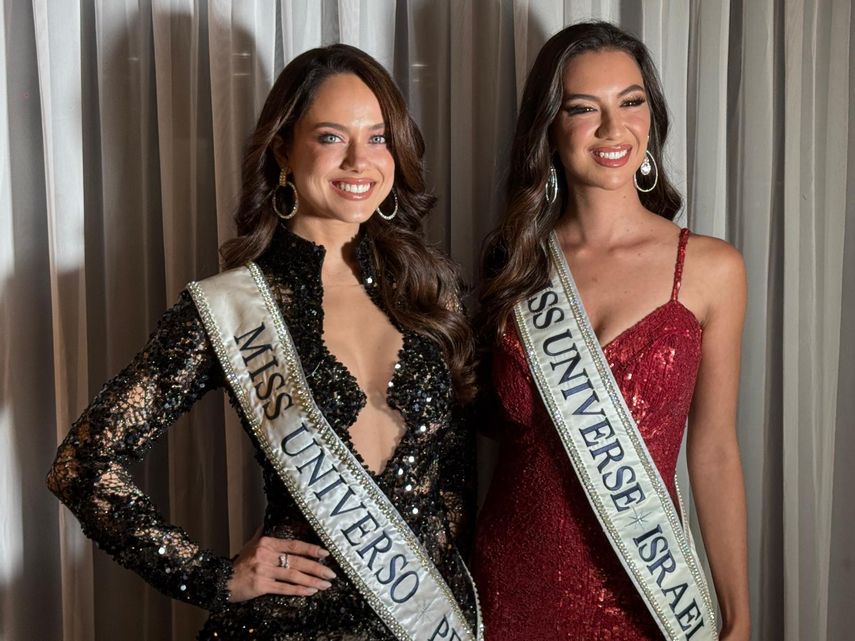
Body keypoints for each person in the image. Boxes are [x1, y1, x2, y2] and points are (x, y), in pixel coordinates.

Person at [48, 44, 481, 641]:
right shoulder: (232, 307)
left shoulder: (430, 292)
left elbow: (454, 474)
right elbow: (82, 465)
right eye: (331, 137)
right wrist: (213, 578)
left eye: (378, 137)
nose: (359, 161)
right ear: (283, 150)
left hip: (429, 619)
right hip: (291, 626)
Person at [472, 22, 749, 641]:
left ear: (652, 116)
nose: (612, 128)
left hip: (649, 593)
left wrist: (739, 615)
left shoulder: (710, 269)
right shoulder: (514, 265)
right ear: (549, 126)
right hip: (508, 591)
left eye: (631, 101)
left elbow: (714, 449)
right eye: (582, 108)